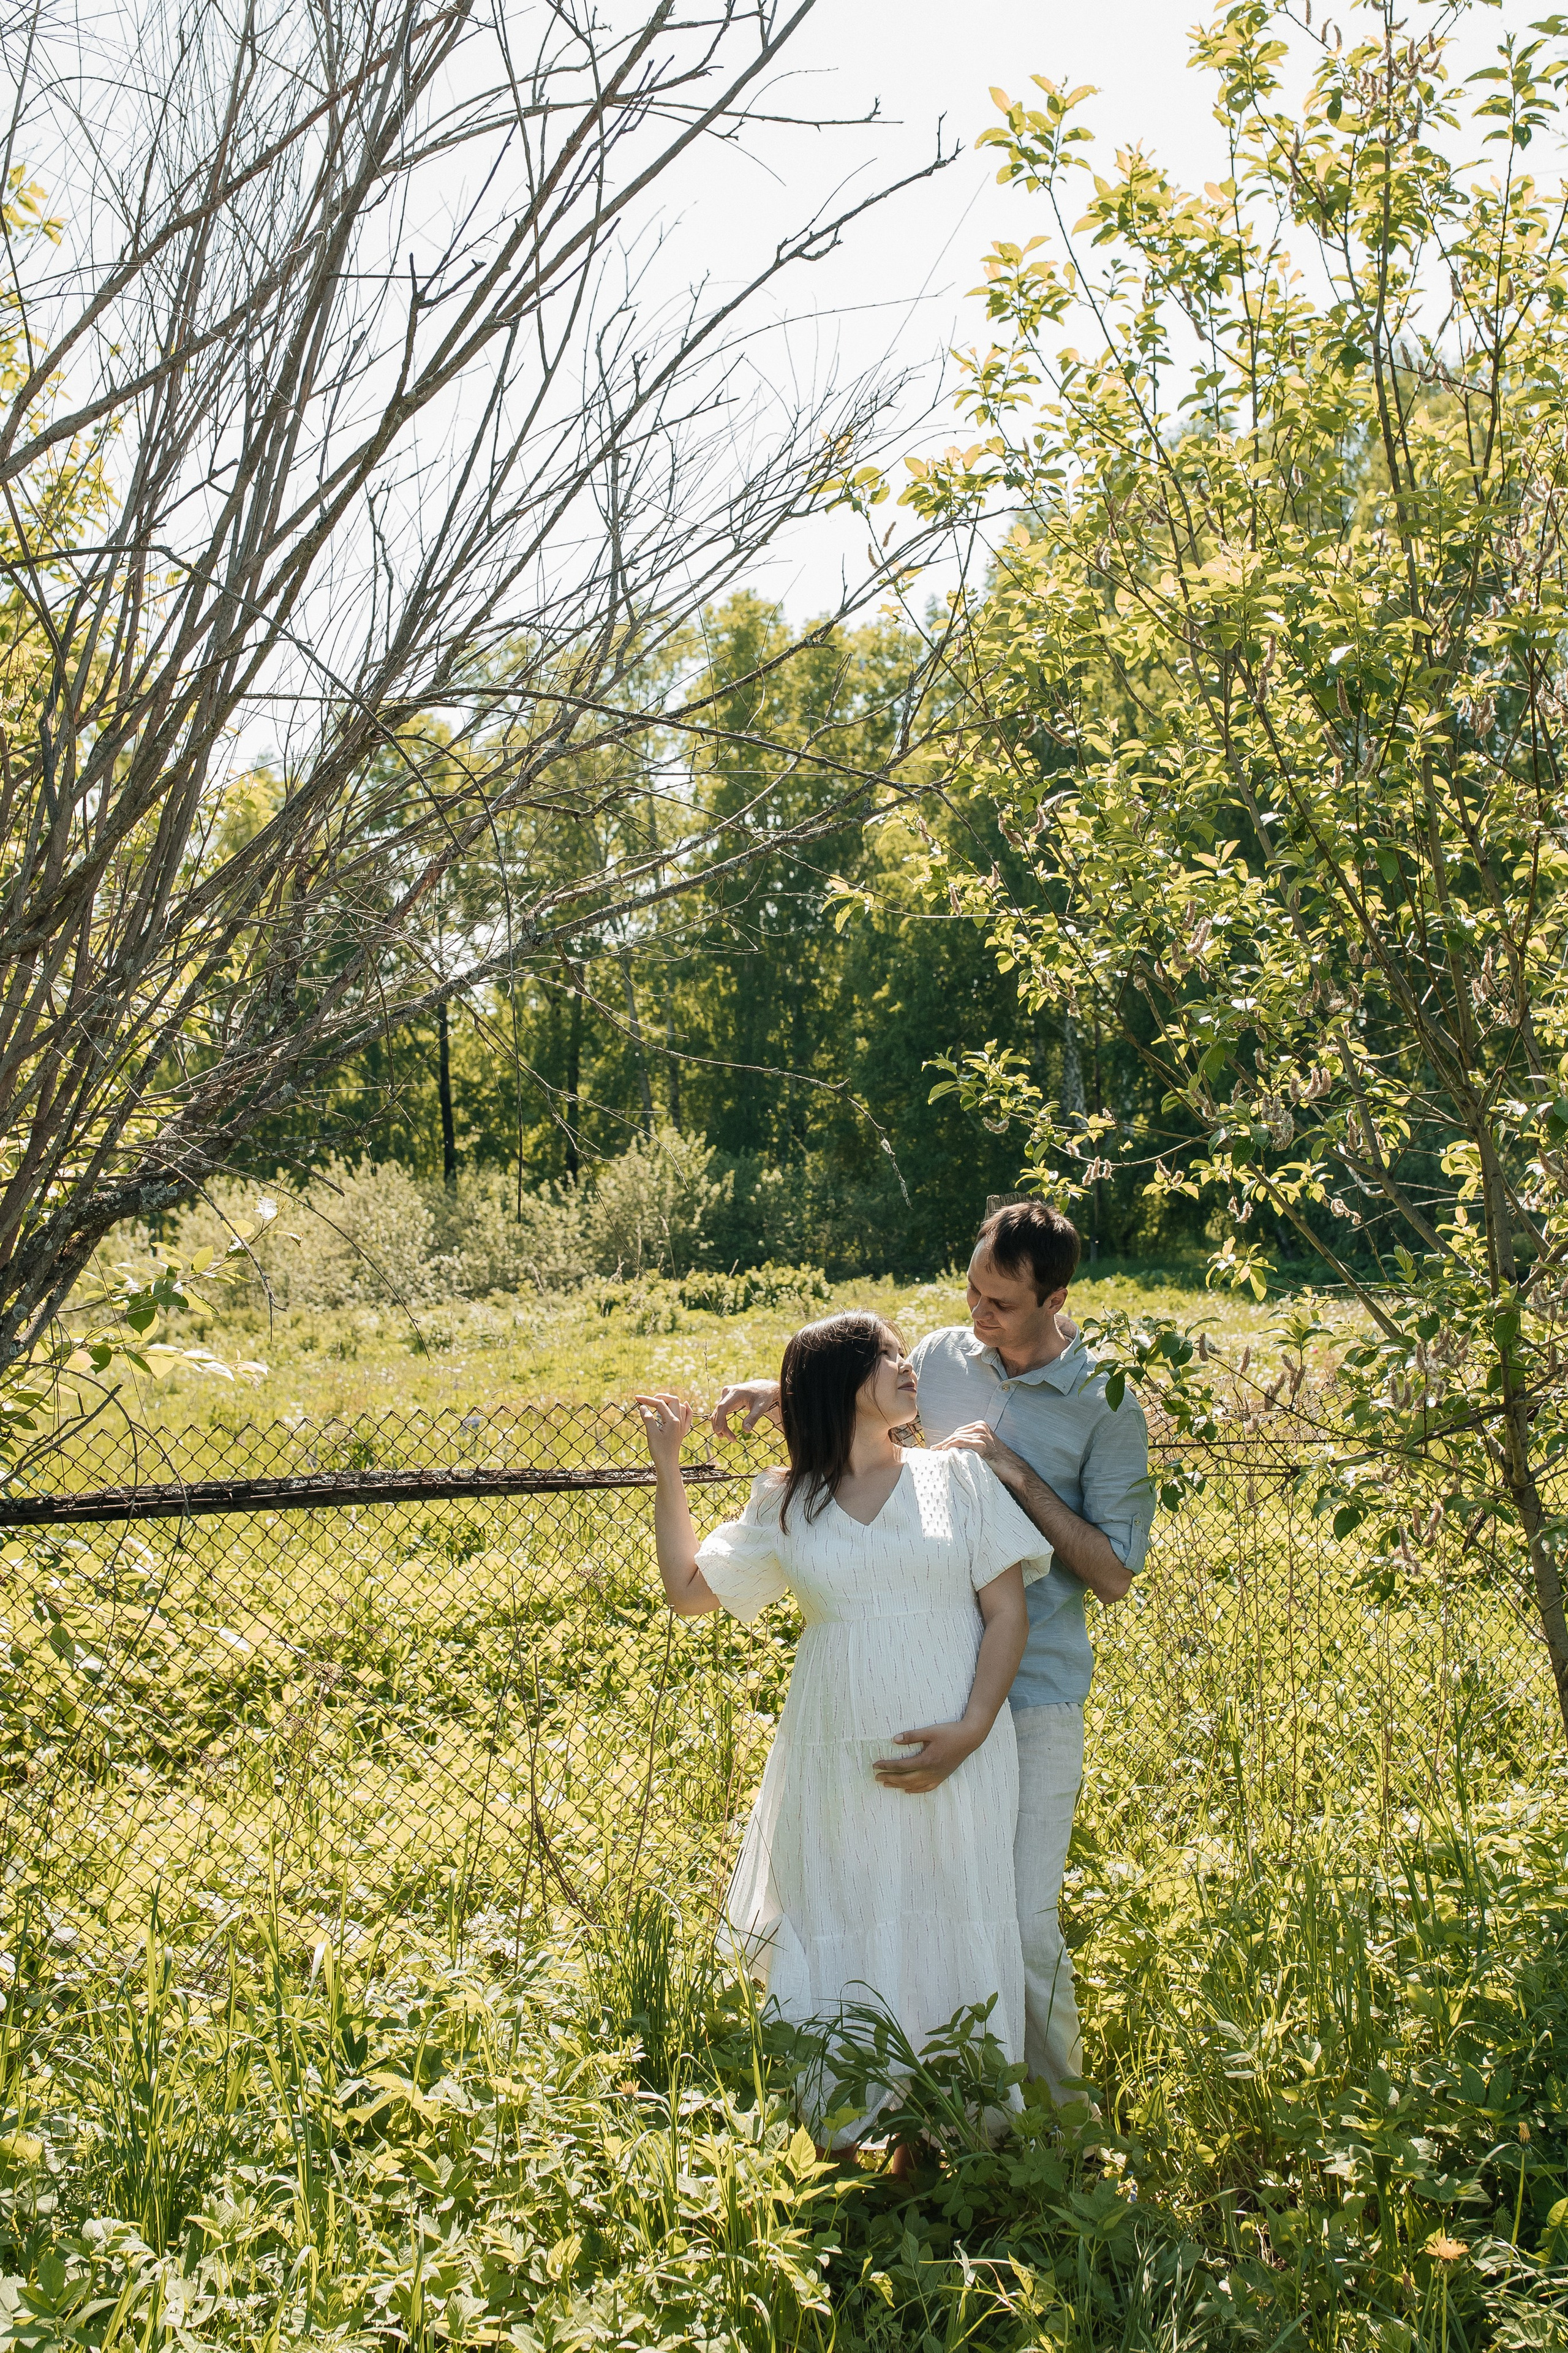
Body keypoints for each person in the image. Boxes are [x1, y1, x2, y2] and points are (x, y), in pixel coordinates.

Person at [711, 1201, 1152, 2107]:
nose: (976, 1317)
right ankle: (931, 2108)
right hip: (921, 1684)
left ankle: (1056, 2124)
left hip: (1031, 1690)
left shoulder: (1105, 1404)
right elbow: (870, 1400)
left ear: (1055, 1298)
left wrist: (1013, 1472)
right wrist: (785, 1391)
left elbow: (1112, 1572)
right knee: (929, 1911)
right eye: (972, 1291)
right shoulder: (948, 1357)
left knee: (1022, 1924)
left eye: (1000, 1302)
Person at [635, 1310, 1053, 2145]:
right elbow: (688, 1590)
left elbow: (1007, 1613)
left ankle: (963, 2123)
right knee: (853, 1907)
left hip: (963, 1747)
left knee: (954, 1905)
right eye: (886, 1356)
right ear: (841, 1383)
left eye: (904, 1354)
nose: (908, 1366)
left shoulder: (957, 1479)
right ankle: (859, 2120)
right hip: (839, 1758)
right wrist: (668, 1462)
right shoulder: (791, 1503)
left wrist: (971, 1728)